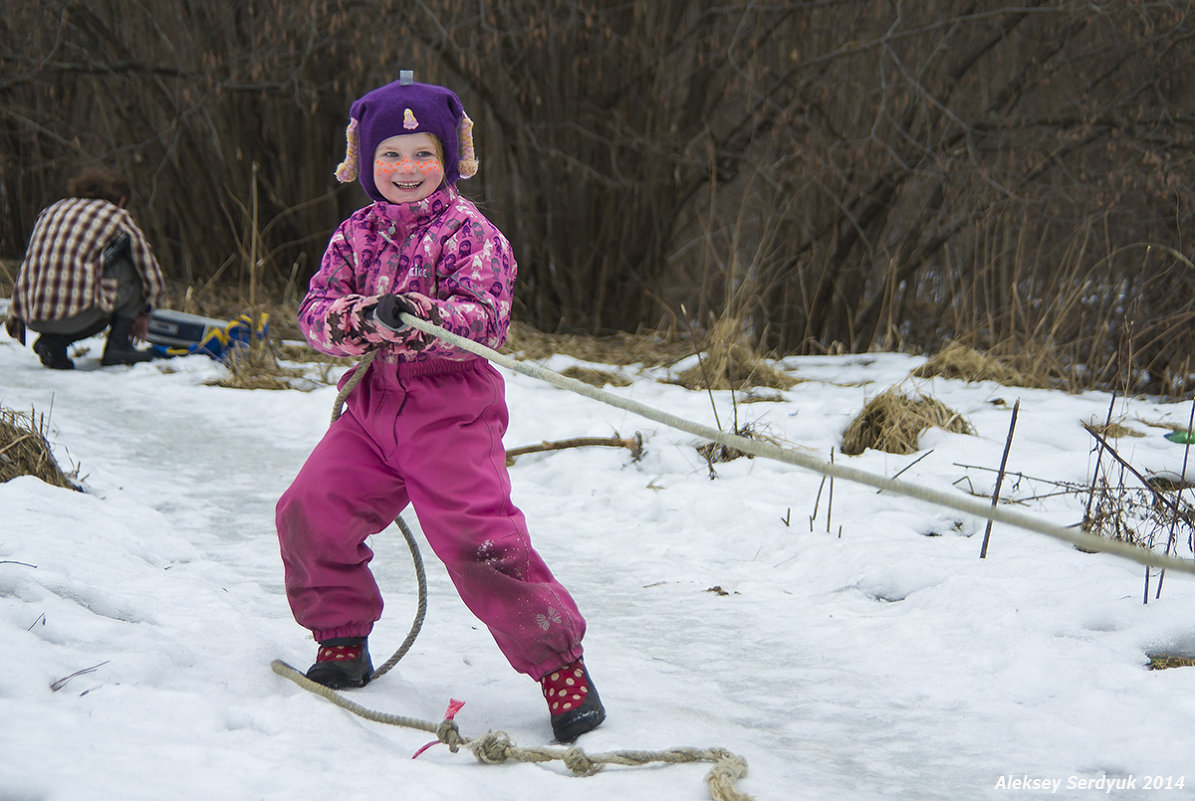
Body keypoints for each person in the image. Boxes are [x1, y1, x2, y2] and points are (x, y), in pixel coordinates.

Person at [275, 72, 606, 743]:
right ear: (364, 163)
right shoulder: (353, 236)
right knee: (309, 508)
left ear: (448, 159)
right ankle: (341, 634)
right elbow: (314, 315)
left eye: (422, 152)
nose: (406, 168)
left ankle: (558, 663)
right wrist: (365, 316)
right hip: (372, 410)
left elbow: (484, 320)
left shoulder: (469, 233)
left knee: (476, 540)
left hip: (450, 410)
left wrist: (420, 315)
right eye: (389, 155)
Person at [5, 167, 165, 369]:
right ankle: (118, 347)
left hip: (29, 314)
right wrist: (145, 311)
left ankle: (54, 343)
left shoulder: (52, 209)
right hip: (74, 316)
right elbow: (150, 271)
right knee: (131, 267)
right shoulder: (116, 215)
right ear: (122, 200)